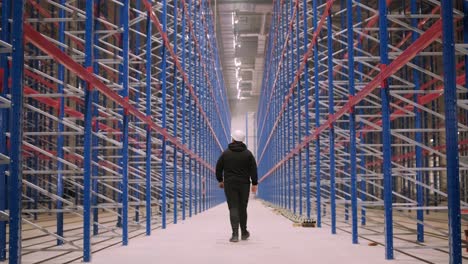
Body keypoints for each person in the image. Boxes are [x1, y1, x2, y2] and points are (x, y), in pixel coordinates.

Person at [216, 129, 258, 243]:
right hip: (244, 184)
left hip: (230, 184)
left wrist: (220, 180)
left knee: (233, 207)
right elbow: (253, 169)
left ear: (233, 139)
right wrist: (254, 183)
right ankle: (244, 233)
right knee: (242, 208)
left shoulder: (226, 153)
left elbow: (218, 168)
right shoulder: (248, 154)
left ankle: (235, 235)